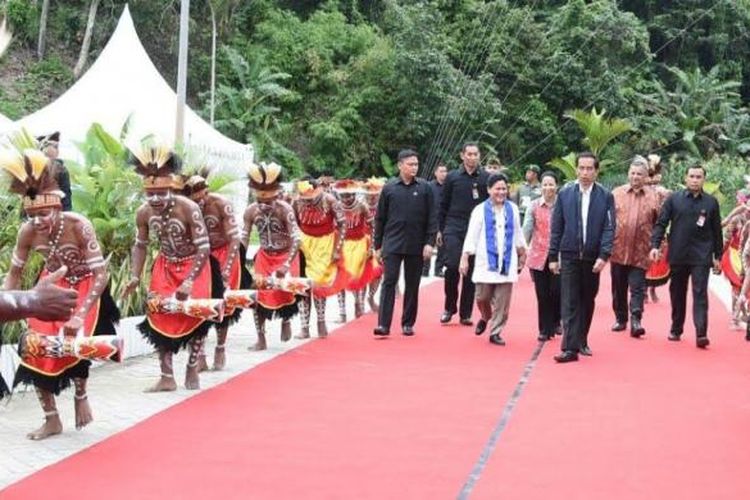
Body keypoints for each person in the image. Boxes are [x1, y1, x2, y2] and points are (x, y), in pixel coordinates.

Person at [1, 148, 120, 439]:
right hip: (48, 288)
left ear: (57, 207)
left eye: (42, 214)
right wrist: (10, 305)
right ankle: (51, 418)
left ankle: (81, 395)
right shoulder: (27, 232)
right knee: (34, 348)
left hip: (85, 286)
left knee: (75, 344)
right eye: (31, 215)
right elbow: (14, 273)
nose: (37, 221)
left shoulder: (79, 225)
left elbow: (101, 274)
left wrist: (80, 314)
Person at [121, 142, 215, 391]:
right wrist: (133, 276)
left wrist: (189, 280)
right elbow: (140, 245)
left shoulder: (189, 208)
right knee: (158, 314)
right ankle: (166, 376)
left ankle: (192, 365)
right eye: (150, 194)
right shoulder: (143, 212)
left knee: (196, 314)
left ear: (171, 190)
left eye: (160, 194)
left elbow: (204, 247)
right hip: (164, 266)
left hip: (194, 265)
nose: (155, 199)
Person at [549, 152, 615, 363]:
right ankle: (569, 348)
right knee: (569, 301)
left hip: (592, 257)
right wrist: (553, 256)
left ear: (596, 171)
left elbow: (609, 228)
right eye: (582, 168)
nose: (585, 173)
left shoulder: (605, 196)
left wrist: (604, 255)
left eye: (590, 169)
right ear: (576, 169)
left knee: (587, 300)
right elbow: (557, 227)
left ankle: (581, 339)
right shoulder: (565, 194)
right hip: (569, 255)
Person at [181, 170, 251, 370]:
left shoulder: (221, 204)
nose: (199, 202)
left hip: (226, 252)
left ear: (206, 192)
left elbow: (234, 239)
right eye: (194, 199)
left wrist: (227, 269)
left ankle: (220, 347)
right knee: (200, 302)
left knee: (224, 304)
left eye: (201, 197)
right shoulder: (186, 208)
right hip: (202, 256)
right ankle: (200, 353)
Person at [650, 165, 723, 348]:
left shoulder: (711, 202)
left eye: (699, 176)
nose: (695, 179)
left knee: (700, 293)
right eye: (692, 176)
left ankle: (701, 333)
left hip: (702, 255)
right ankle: (676, 328)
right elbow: (661, 223)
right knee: (677, 292)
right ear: (685, 178)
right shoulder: (674, 200)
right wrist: (655, 245)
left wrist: (718, 256)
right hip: (678, 253)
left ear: (704, 179)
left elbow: (717, 231)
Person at [373, 149, 436, 336]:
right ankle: (384, 324)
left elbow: (432, 217)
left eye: (416, 164)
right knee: (389, 282)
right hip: (392, 243)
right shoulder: (390, 187)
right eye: (410, 164)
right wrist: (377, 245)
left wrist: (429, 242)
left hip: (416, 244)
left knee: (412, 284)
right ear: (400, 165)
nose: (414, 168)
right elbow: (380, 218)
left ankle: (407, 323)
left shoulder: (425, 188)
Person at [460, 174, 526, 345]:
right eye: (497, 188)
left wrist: (522, 253)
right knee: (482, 297)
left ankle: (495, 331)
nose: (501, 192)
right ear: (489, 190)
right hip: (485, 263)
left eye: (504, 188)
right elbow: (472, 235)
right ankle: (485, 316)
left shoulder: (512, 209)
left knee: (503, 302)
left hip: (506, 263)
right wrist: (465, 257)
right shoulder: (479, 210)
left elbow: (518, 233)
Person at [243, 162, 302, 351]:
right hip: (264, 257)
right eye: (261, 202)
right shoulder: (251, 211)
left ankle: (286, 318)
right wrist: (238, 259)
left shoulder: (285, 209)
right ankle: (261, 338)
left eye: (268, 202)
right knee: (259, 297)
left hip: (286, 256)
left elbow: (296, 238)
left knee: (285, 291)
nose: (264, 206)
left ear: (276, 196)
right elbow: (244, 237)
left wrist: (286, 264)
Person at [609, 156, 661, 338]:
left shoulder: (654, 197)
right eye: (632, 173)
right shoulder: (616, 193)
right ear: (628, 174)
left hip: (641, 251)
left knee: (638, 287)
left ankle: (636, 319)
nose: (636, 177)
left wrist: (657, 245)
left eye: (640, 174)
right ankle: (620, 318)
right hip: (617, 249)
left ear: (646, 176)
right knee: (618, 287)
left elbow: (659, 224)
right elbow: (607, 221)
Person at [438, 142, 489, 326]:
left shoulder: (485, 178)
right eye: (469, 154)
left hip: (476, 230)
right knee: (452, 266)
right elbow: (442, 205)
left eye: (476, 154)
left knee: (471, 272)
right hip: (453, 226)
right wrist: (439, 229)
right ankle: (449, 307)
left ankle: (465, 313)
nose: (472, 157)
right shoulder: (452, 177)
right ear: (462, 155)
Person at [293, 177, 347, 339]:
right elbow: (293, 224)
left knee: (318, 284)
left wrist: (337, 249)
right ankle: (304, 327)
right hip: (304, 245)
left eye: (311, 198)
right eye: (305, 199)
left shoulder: (329, 200)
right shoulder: (296, 202)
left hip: (325, 244)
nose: (308, 202)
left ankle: (321, 322)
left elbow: (342, 224)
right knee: (303, 285)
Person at [523, 171, 561, 341]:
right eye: (545, 184)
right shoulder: (534, 206)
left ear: (556, 186)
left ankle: (555, 321)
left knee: (556, 292)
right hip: (538, 256)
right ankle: (544, 329)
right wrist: (522, 251)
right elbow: (527, 230)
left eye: (551, 184)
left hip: (558, 256)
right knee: (542, 293)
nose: (548, 188)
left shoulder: (563, 205)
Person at [335, 179, 374, 321]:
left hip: (359, 244)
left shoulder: (362, 206)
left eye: (350, 195)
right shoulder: (337, 206)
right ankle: (342, 312)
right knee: (340, 278)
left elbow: (373, 227)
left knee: (356, 276)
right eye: (344, 196)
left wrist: (372, 247)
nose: (347, 199)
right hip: (343, 245)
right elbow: (335, 228)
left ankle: (359, 302)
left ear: (354, 194)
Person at [644, 154, 671, 302]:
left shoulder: (662, 191)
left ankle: (652, 289)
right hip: (642, 229)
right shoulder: (641, 189)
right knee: (642, 260)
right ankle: (643, 291)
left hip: (658, 228)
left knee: (657, 260)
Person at [362, 177, 386, 312]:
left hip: (379, 241)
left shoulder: (383, 207)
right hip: (360, 243)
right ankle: (359, 302)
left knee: (377, 272)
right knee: (361, 273)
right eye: (369, 195)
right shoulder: (359, 206)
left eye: (374, 195)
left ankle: (371, 297)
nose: (371, 197)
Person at [37, 132, 72, 212]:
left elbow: (66, 196)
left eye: (57, 147)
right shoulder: (32, 168)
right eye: (55, 147)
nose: (57, 150)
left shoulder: (61, 170)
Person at [423, 162, 448, 277]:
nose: (444, 174)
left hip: (444, 219)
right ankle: (425, 269)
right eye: (441, 171)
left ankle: (438, 268)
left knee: (442, 245)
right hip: (430, 219)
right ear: (435, 173)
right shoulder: (429, 186)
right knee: (428, 243)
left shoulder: (449, 186)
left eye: (445, 171)